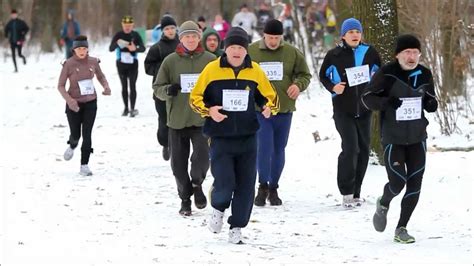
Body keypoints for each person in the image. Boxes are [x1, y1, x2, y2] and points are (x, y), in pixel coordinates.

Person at [190, 27, 279, 244]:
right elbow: (195, 98)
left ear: (246, 51)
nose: (236, 51)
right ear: (226, 49)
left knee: (246, 185)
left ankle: (237, 226)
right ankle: (218, 208)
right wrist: (209, 111)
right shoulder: (212, 70)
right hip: (220, 136)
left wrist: (268, 107)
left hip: (248, 137)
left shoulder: (255, 71)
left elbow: (271, 98)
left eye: (240, 47)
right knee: (225, 181)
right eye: (232, 47)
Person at [362, 34, 438, 244]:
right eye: (407, 52)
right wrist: (387, 102)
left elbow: (430, 99)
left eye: (415, 52)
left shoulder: (424, 73)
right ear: (398, 55)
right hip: (393, 138)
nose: (412, 56)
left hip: (417, 137)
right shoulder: (387, 73)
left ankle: (401, 228)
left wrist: (431, 105)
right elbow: (367, 98)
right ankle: (384, 202)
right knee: (397, 182)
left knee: (415, 184)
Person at [153, 21, 216, 216]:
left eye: (194, 36)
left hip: (202, 119)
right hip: (177, 120)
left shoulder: (210, 60)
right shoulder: (170, 61)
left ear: (199, 38)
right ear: (181, 39)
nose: (190, 39)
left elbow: (220, 85)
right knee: (178, 165)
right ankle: (185, 199)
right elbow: (157, 89)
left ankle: (197, 184)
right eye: (186, 36)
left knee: (202, 158)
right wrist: (168, 90)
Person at [318, 18, 381, 208]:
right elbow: (323, 76)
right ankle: (346, 191)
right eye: (351, 32)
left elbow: (380, 73)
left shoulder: (370, 53)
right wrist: (333, 87)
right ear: (343, 36)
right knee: (351, 148)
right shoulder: (334, 54)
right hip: (343, 110)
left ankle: (356, 193)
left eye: (357, 32)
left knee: (363, 150)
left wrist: (374, 87)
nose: (355, 35)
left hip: (364, 109)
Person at [248, 19, 311, 206]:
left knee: (278, 148)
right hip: (261, 109)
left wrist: (298, 86)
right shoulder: (252, 51)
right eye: (270, 37)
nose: (273, 41)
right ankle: (262, 186)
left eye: (277, 38)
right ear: (263, 35)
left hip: (284, 108)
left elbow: (305, 74)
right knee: (264, 147)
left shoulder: (292, 52)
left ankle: (274, 187)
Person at [58, 35, 111, 176]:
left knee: (87, 134)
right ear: (74, 50)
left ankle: (84, 165)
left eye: (84, 48)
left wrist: (106, 86)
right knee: (76, 134)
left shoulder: (93, 62)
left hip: (91, 102)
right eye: (79, 48)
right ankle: (73, 144)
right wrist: (70, 100)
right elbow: (61, 86)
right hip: (74, 104)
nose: (82, 51)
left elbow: (101, 76)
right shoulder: (68, 64)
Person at [144, 15, 179, 161]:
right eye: (167, 29)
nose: (170, 31)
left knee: (178, 119)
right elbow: (147, 67)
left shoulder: (182, 45)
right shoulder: (156, 48)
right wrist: (162, 69)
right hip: (161, 91)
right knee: (164, 119)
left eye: (172, 28)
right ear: (162, 31)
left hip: (179, 89)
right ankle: (165, 143)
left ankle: (176, 146)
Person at [109, 15, 145, 117]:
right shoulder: (118, 35)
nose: (127, 27)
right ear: (122, 25)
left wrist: (135, 49)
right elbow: (110, 48)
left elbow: (143, 48)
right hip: (121, 64)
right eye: (125, 25)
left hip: (133, 64)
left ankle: (132, 109)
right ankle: (125, 108)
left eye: (129, 25)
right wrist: (118, 43)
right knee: (124, 86)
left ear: (132, 25)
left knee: (132, 86)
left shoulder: (136, 35)